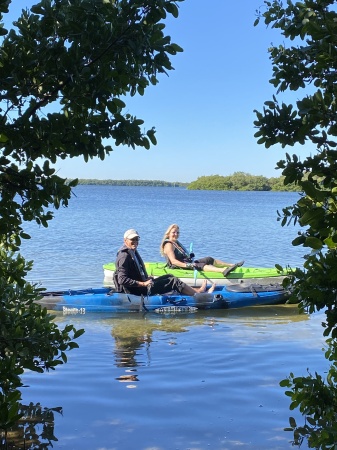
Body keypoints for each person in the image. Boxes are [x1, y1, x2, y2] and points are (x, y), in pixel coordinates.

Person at [114, 229, 215, 296]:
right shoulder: (124, 256)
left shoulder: (132, 252)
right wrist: (143, 283)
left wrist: (146, 279)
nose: (135, 241)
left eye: (137, 239)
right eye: (132, 239)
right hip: (137, 292)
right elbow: (122, 279)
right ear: (125, 240)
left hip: (140, 287)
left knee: (169, 276)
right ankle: (198, 295)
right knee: (173, 281)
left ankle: (195, 291)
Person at [159, 224, 244, 277]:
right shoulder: (168, 245)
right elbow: (174, 262)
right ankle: (223, 271)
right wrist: (189, 265)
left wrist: (190, 256)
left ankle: (231, 265)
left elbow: (182, 255)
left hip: (186, 263)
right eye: (174, 232)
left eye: (177, 232)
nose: (176, 234)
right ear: (169, 233)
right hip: (179, 266)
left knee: (209, 259)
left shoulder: (176, 242)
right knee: (200, 265)